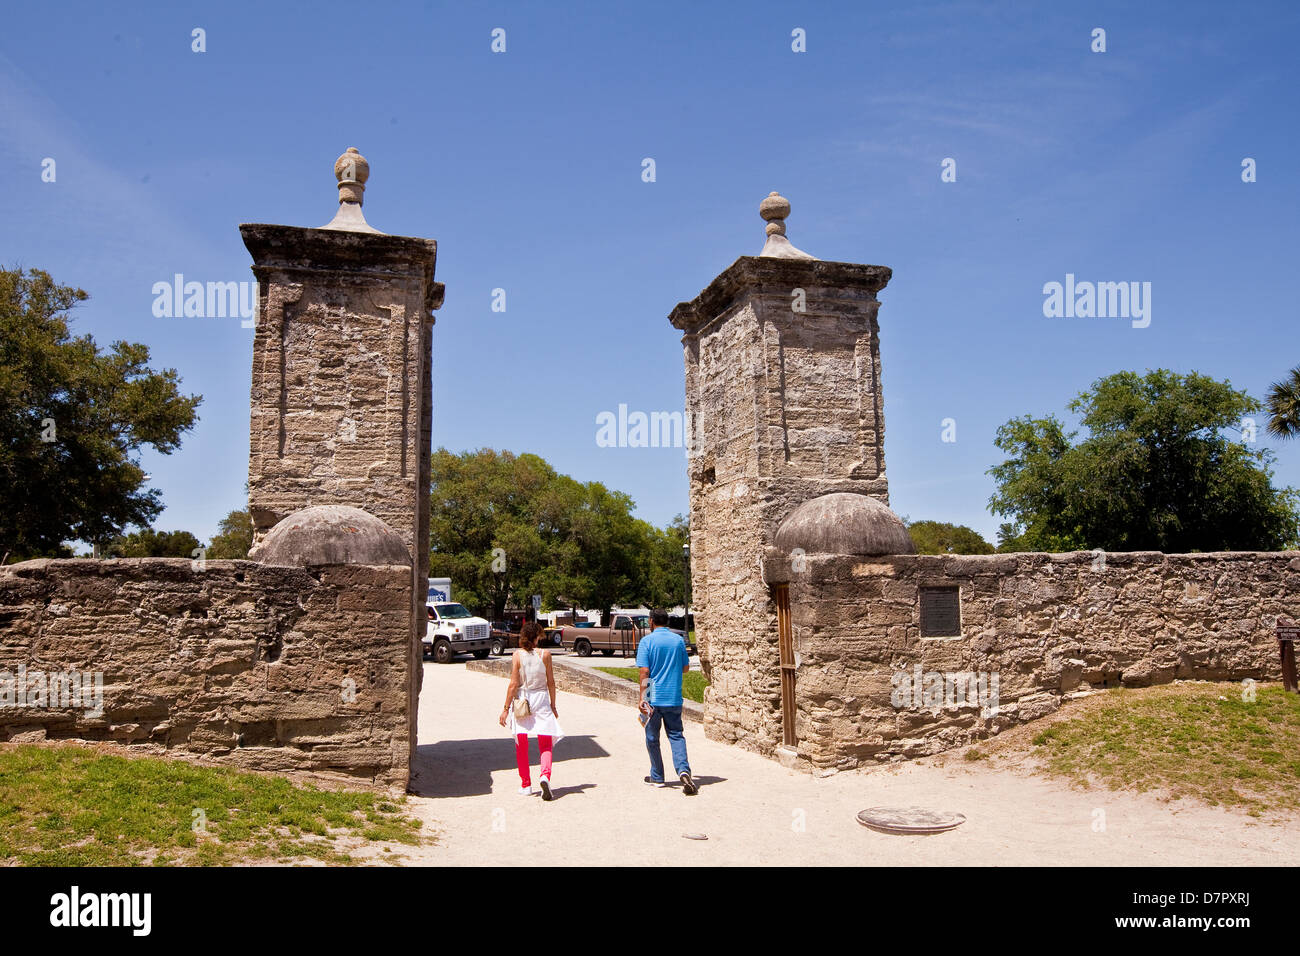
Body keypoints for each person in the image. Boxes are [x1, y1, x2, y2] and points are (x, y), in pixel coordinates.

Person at [499, 621, 563, 799]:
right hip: (541, 698)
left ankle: (526, 784)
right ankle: (544, 775)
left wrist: (505, 708)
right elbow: (551, 682)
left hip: (523, 699)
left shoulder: (517, 656)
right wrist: (553, 705)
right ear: (536, 637)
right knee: (545, 741)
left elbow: (513, 684)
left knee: (521, 743)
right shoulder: (546, 654)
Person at [636, 608, 697, 795]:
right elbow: (686, 668)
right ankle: (683, 770)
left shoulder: (647, 642)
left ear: (652, 622)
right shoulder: (678, 641)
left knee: (652, 738)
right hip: (673, 696)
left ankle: (657, 776)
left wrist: (642, 697)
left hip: (653, 697)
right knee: (676, 735)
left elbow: (644, 672)